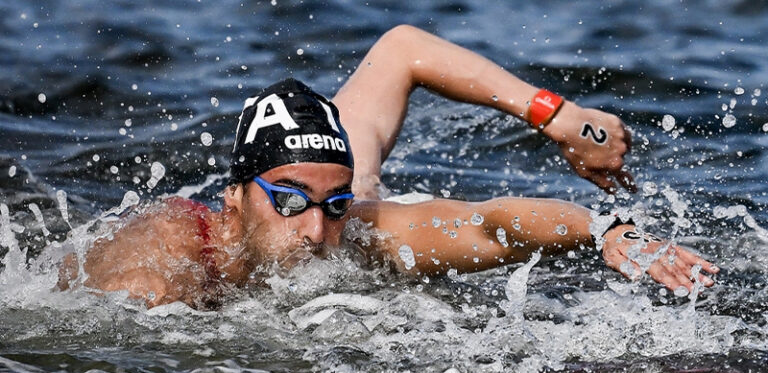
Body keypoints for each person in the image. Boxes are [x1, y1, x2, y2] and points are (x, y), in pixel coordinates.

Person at [57, 79, 718, 309]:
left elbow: (489, 224)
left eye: (332, 205)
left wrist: (606, 229)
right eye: (288, 200)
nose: (317, 233)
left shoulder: (357, 220)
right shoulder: (163, 259)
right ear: (235, 196)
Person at [333, 25, 636, 198]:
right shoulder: (341, 182)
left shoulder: (322, 166)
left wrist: (560, 117)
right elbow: (403, 50)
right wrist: (561, 118)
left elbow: (403, 51)